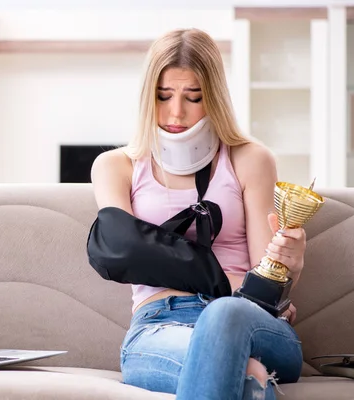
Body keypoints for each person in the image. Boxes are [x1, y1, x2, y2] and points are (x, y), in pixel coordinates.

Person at [90, 28, 306, 400]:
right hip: (158, 323)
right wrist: (225, 279)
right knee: (245, 376)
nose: (176, 112)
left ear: (215, 98)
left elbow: (267, 280)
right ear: (148, 97)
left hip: (247, 319)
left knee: (224, 316)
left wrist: (293, 262)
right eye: (163, 96)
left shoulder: (250, 159)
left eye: (193, 97)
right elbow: (118, 249)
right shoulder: (116, 166)